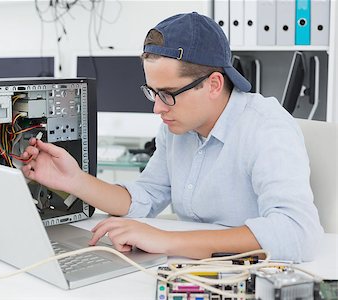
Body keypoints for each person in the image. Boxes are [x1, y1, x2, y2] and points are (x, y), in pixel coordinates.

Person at [21, 12, 323, 262]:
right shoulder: (176, 127)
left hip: (251, 276)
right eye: (152, 92)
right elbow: (145, 198)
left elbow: (297, 232)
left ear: (214, 84)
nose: (157, 108)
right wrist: (74, 181)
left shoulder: (266, 128)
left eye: (167, 94)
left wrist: (167, 240)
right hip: (191, 268)